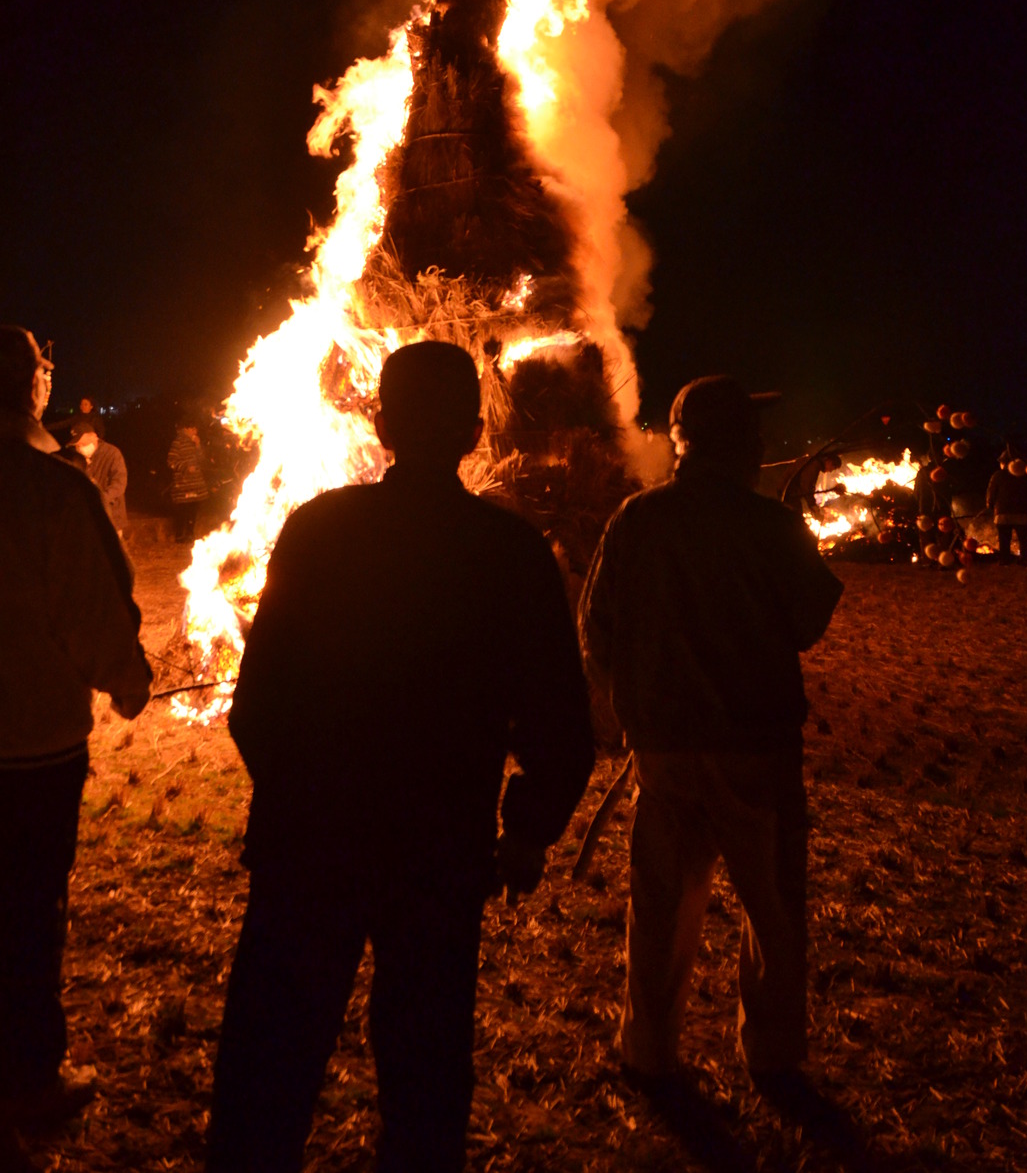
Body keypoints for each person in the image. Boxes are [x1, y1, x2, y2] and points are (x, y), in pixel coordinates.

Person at [207, 341, 594, 1173]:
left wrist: (293, 801)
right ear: (472, 429)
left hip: (310, 847)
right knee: (424, 1074)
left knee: (269, 1063)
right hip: (438, 853)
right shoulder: (509, 553)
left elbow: (257, 703)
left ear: (381, 423)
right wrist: (526, 829)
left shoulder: (318, 531)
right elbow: (561, 719)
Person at [579, 374, 843, 1091]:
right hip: (755, 746)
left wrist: (633, 708)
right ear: (740, 446)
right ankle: (773, 1052)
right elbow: (808, 621)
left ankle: (649, 1049)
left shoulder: (637, 520)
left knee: (662, 901)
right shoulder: (770, 526)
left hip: (665, 749)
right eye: (751, 436)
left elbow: (595, 629)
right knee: (774, 907)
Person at [0, 327, 151, 1158]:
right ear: (29, 385)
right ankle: (25, 1078)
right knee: (25, 912)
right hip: (29, 748)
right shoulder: (51, 490)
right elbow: (95, 610)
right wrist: (127, 679)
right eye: (43, 369)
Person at [73, 423, 128, 536]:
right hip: (89, 517)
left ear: (94, 437)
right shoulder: (78, 458)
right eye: (77, 445)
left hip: (112, 516)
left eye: (83, 444)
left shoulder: (112, 454)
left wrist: (101, 498)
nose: (80, 448)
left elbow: (119, 483)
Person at [986, 449, 1027, 564]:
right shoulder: (1024, 475)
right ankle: (1026, 559)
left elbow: (991, 492)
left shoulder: (998, 475)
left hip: (1003, 513)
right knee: (1023, 539)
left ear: (1005, 463)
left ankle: (1005, 559)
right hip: (1021, 513)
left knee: (1004, 539)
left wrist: (990, 505)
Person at [167, 421, 209, 543]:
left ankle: (190, 535)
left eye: (196, 429)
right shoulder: (177, 442)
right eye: (192, 429)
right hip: (183, 484)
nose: (195, 432)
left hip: (196, 484)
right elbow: (171, 462)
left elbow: (202, 460)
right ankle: (180, 536)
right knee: (182, 511)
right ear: (186, 429)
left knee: (193, 510)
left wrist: (198, 446)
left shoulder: (195, 442)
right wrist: (185, 467)